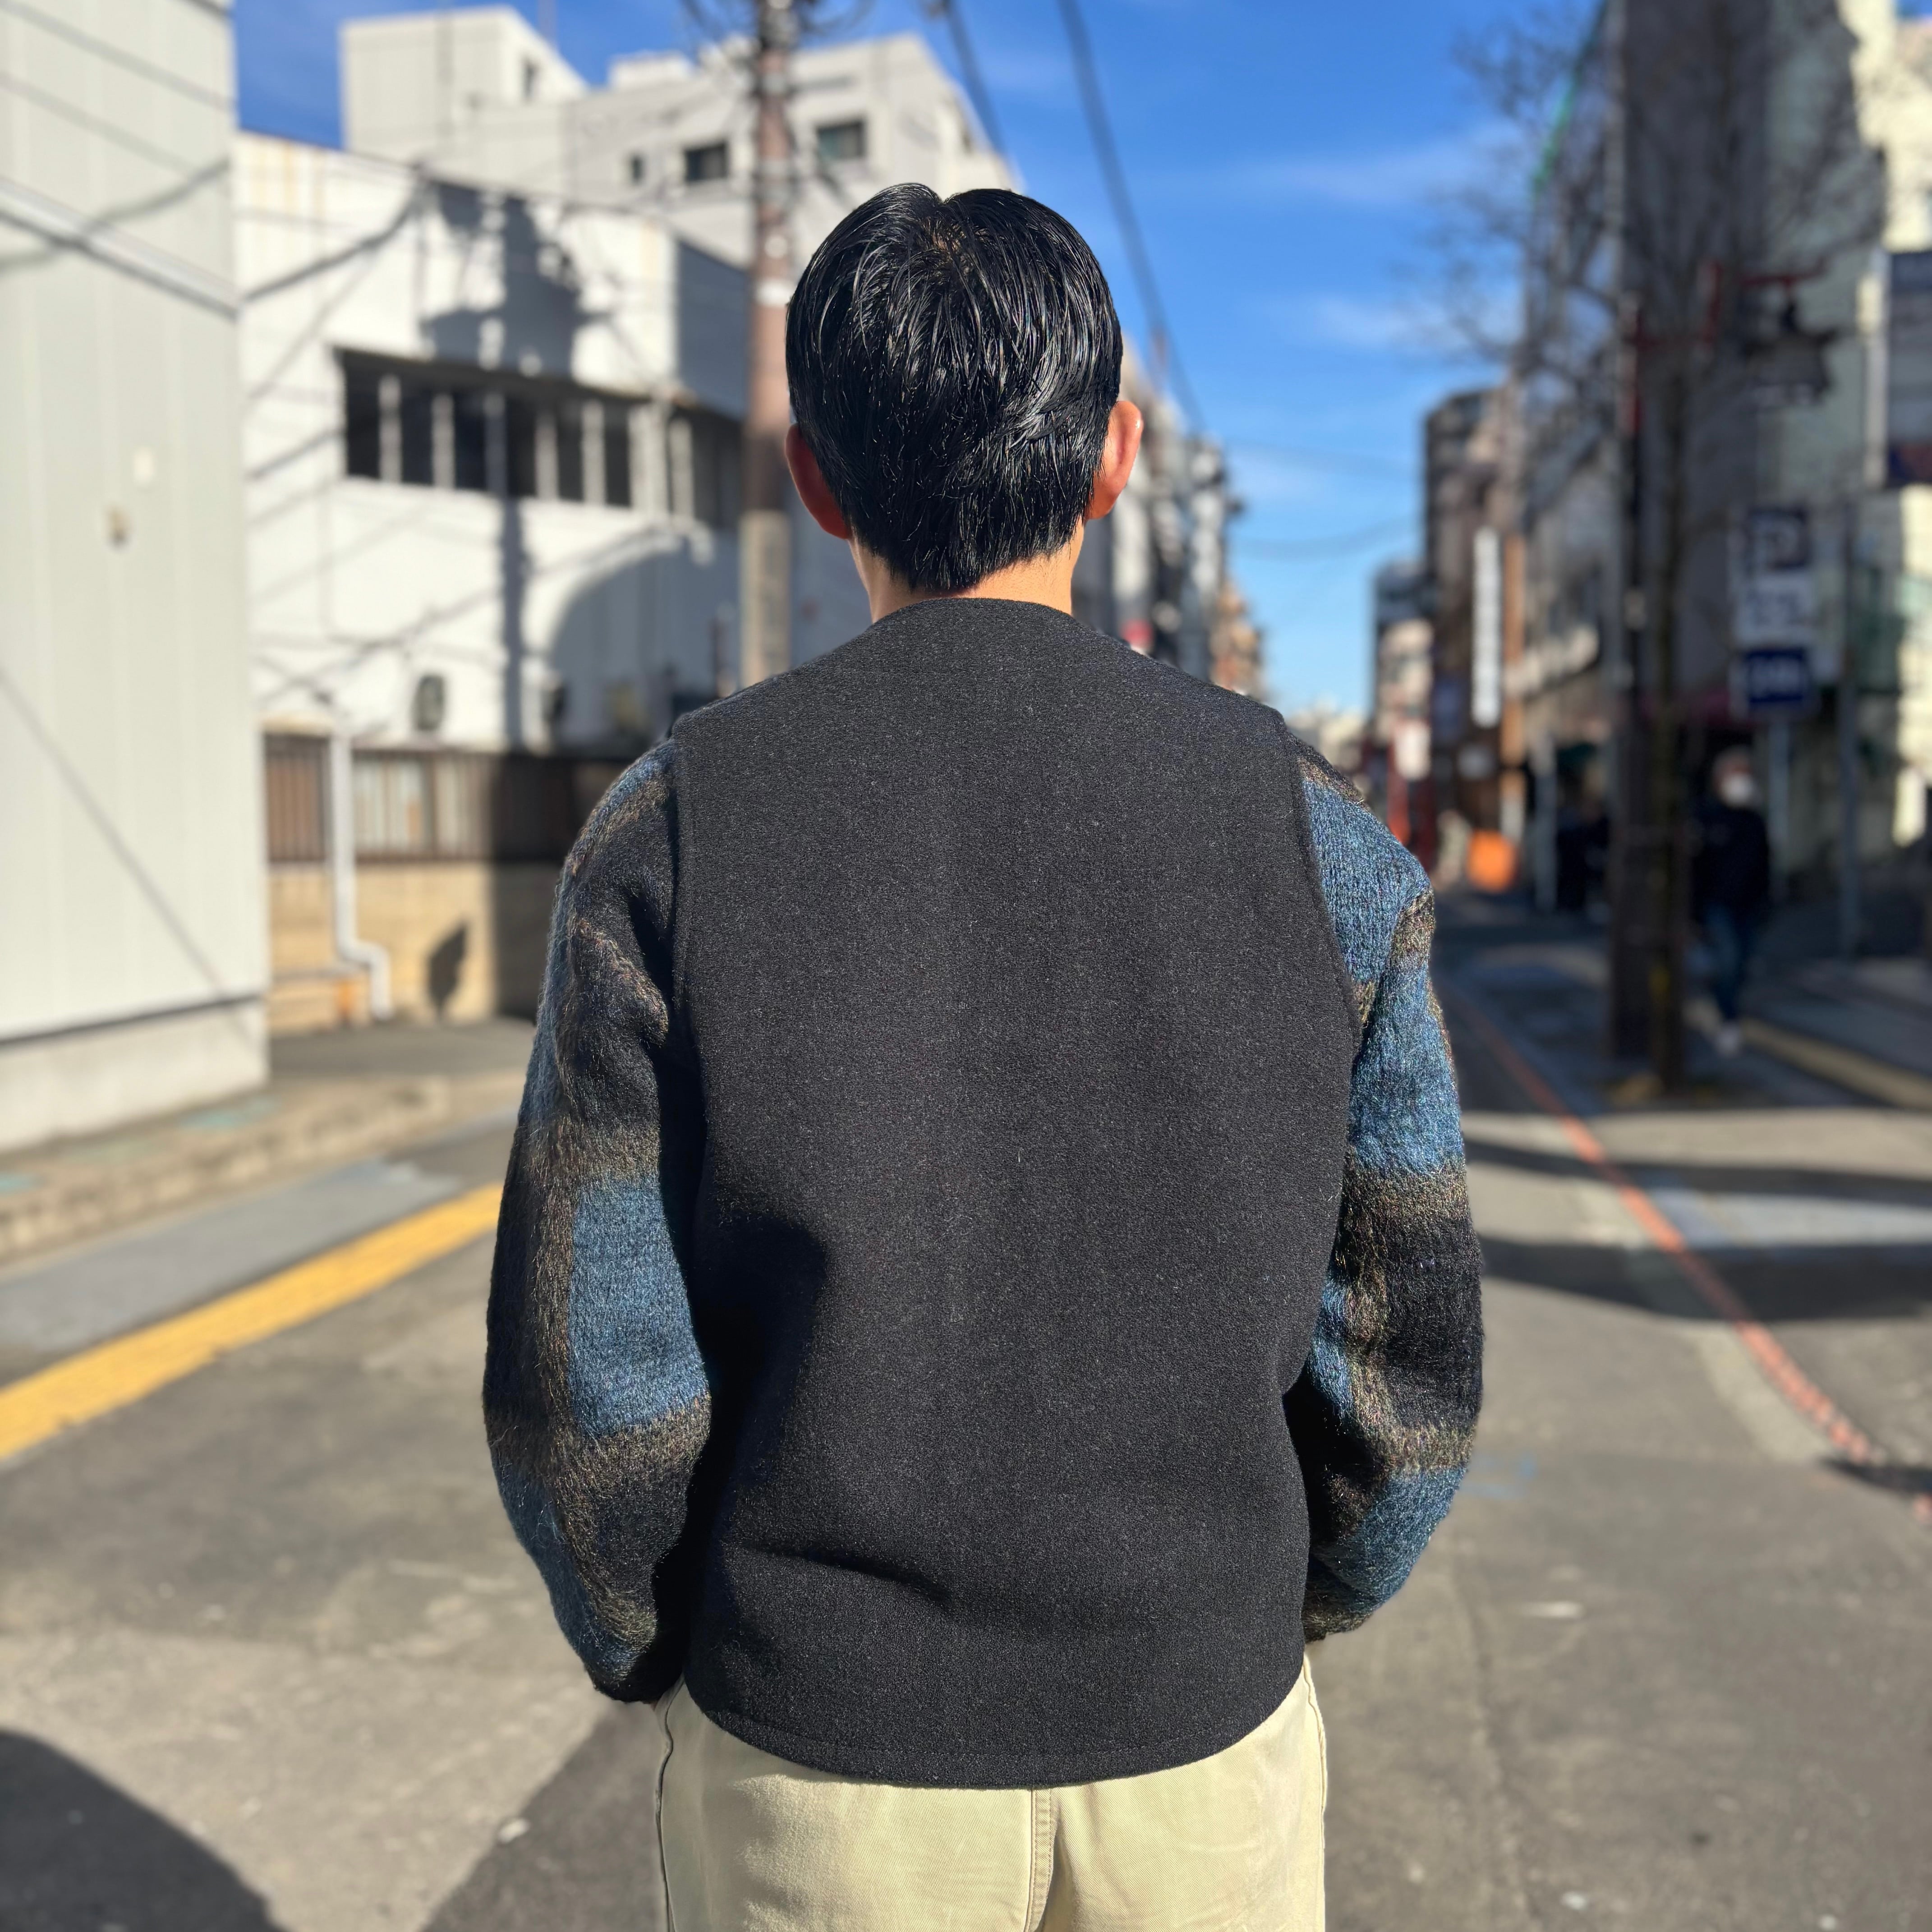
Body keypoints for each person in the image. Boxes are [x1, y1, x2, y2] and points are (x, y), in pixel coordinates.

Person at [485, 185, 1483, 1932]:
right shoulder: (1315, 838)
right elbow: (1407, 1365)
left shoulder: (672, 835)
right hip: (1201, 1745)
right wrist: (1264, 1604)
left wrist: (666, 1643)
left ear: (817, 478)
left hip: (814, 1763)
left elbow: (591, 1386)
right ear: (1116, 456)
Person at [1694, 746, 1772, 1057]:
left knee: (1740, 966)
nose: (1741, 781)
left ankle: (1722, 1006)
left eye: (1745, 774)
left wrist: (1766, 904)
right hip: (1718, 906)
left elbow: (1765, 866)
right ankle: (1729, 1020)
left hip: (1749, 907)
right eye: (1735, 774)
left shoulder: (1754, 822)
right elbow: (1696, 869)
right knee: (1728, 960)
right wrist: (1695, 912)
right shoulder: (1707, 818)